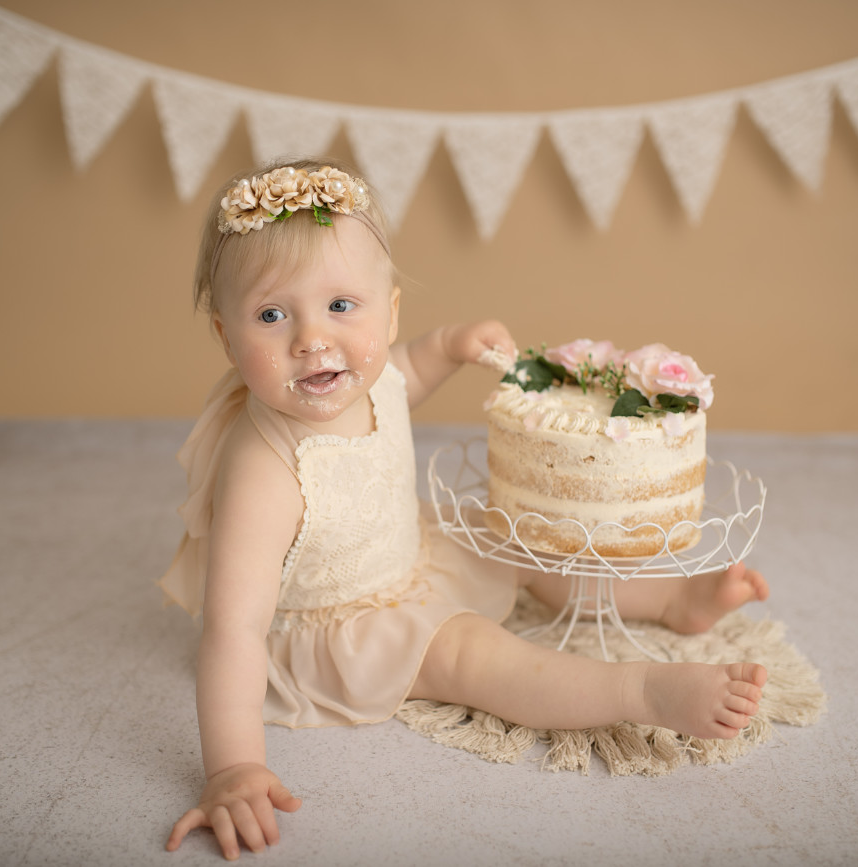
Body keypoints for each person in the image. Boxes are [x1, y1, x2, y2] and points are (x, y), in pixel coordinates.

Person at [160, 158, 770, 860]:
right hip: (348, 621)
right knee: (473, 653)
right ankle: (640, 691)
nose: (311, 338)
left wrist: (448, 346)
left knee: (514, 541)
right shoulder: (263, 472)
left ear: (388, 311)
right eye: (272, 315)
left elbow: (404, 376)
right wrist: (232, 766)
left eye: (341, 306)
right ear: (225, 336)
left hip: (410, 550)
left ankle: (670, 598)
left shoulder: (367, 375)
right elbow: (234, 629)